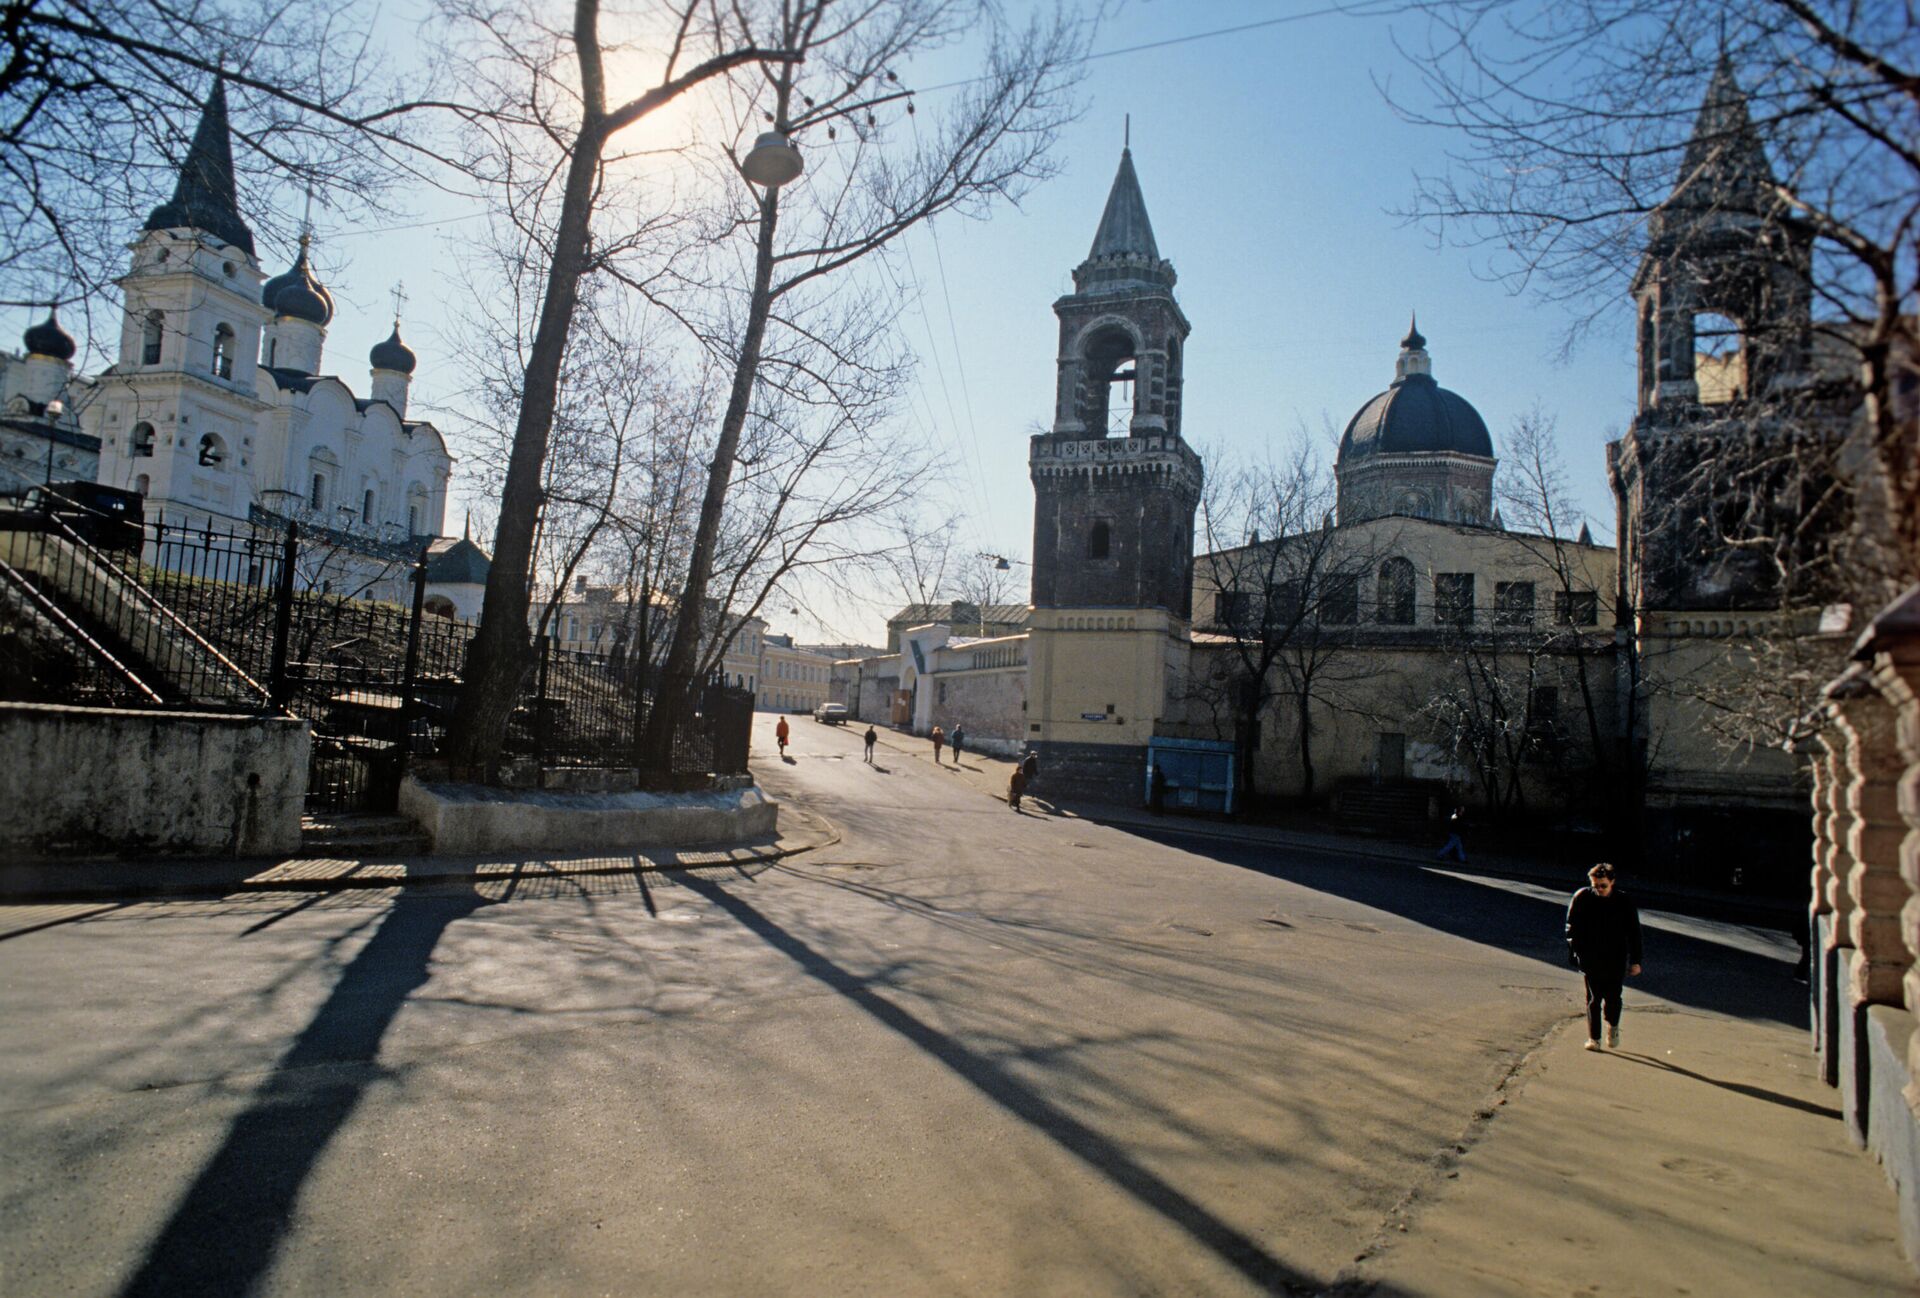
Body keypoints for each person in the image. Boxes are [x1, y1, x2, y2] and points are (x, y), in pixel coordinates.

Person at [1566, 863, 1644, 1051]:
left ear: (1612, 882)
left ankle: (1613, 1026)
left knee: (1613, 997)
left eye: (1603, 885)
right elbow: (1571, 928)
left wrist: (1636, 961)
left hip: (1615, 957)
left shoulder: (1623, 901)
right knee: (1594, 998)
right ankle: (1594, 1039)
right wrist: (1575, 952)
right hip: (1590, 956)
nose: (1599, 889)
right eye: (1595, 885)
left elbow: (1634, 932)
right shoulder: (1583, 897)